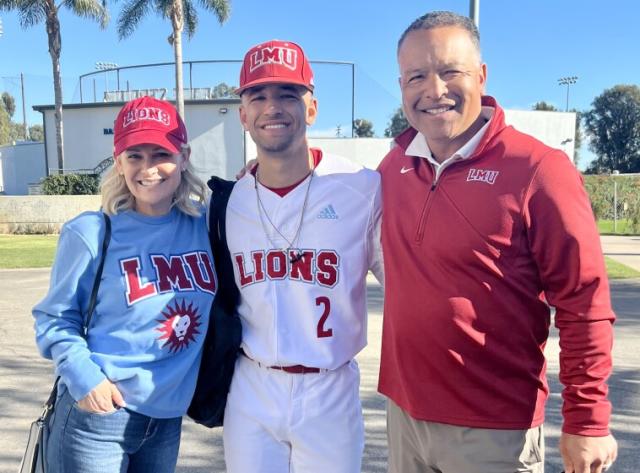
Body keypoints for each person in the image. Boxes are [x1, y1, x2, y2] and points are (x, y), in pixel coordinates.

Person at [377, 11, 618, 473]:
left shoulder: (538, 170)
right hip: (404, 418)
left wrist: (588, 420)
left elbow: (583, 300)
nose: (434, 90)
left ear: (481, 76)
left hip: (495, 430)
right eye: (416, 76)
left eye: (450, 71)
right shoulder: (394, 168)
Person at [218, 39, 383, 473]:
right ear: (243, 115)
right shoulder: (227, 203)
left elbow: (407, 283)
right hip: (252, 385)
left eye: (288, 94)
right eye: (258, 96)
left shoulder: (361, 188)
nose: (272, 107)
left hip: (329, 388)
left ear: (311, 108)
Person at [32, 96, 216, 472]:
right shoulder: (91, 232)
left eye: (160, 153)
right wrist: (86, 381)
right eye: (134, 156)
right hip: (97, 418)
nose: (148, 168)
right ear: (118, 162)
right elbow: (54, 319)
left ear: (184, 156)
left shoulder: (207, 225)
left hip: (166, 420)